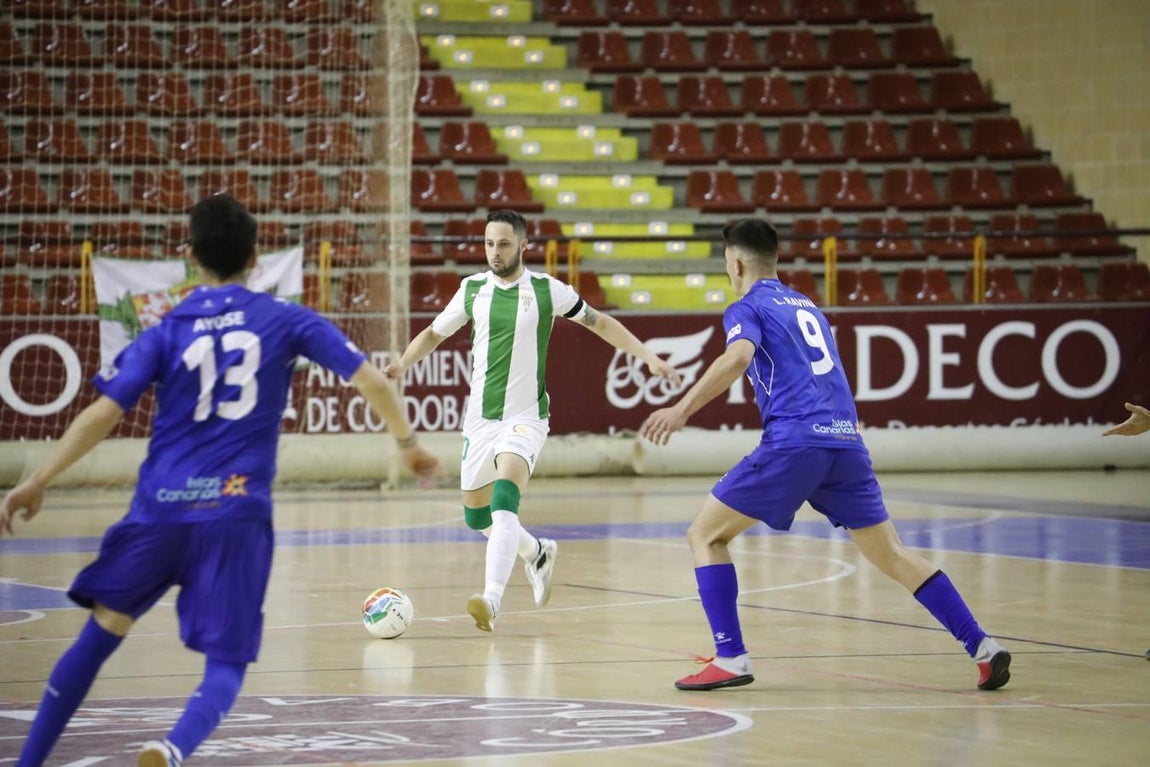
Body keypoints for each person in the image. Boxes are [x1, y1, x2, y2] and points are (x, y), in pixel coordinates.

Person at [0, 194, 441, 767]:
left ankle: (29, 762)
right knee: (227, 666)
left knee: (98, 636)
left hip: (159, 511)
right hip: (235, 513)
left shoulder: (167, 329)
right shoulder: (287, 319)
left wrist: (36, 480)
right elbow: (374, 384)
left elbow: (103, 414)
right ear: (255, 259)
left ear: (191, 258)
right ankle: (172, 747)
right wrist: (408, 446)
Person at [640, 218, 1011, 692]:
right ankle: (982, 646)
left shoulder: (745, 307)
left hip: (796, 443)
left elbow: (736, 359)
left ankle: (731, 656)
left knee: (705, 535)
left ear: (734, 262)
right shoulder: (808, 307)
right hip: (845, 442)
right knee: (893, 554)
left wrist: (682, 409)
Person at [385, 209, 681, 632]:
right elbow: (434, 333)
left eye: (504, 244)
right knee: (478, 519)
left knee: (505, 502)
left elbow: (601, 324)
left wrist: (648, 357)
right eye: (489, 243)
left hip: (526, 418)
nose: (495, 252)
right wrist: (402, 363)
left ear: (524, 245)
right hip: (479, 422)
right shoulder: (471, 290)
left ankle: (491, 599)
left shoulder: (547, 290)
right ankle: (536, 551)